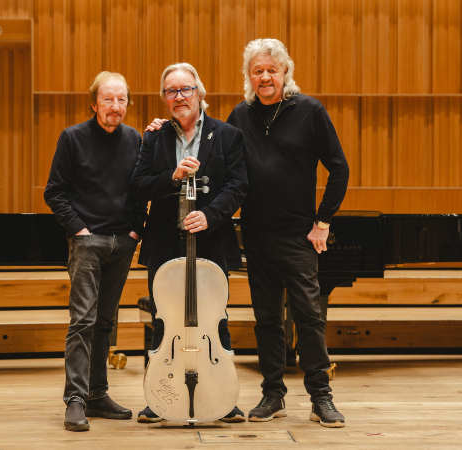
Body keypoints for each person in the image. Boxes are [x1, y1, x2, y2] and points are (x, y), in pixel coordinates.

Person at [226, 38, 350, 427]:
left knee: (308, 317)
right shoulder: (239, 116)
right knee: (265, 319)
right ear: (249, 76)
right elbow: (218, 158)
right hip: (256, 235)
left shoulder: (309, 111)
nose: (265, 77)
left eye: (271, 70)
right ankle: (272, 394)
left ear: (285, 73)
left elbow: (339, 168)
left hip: (298, 234)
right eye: (257, 70)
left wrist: (323, 222)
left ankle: (321, 397)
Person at [129, 63, 248, 423]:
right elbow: (138, 185)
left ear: (199, 92)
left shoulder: (227, 134)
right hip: (165, 239)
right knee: (163, 319)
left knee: (216, 318)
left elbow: (239, 185)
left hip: (211, 240)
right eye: (171, 91)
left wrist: (211, 215)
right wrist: (172, 176)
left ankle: (223, 397)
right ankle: (158, 398)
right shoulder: (154, 137)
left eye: (185, 89)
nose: (179, 97)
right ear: (164, 99)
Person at [44, 71, 146, 432]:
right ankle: (75, 398)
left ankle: (98, 394)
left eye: (121, 100)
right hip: (87, 243)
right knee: (83, 322)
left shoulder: (135, 139)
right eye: (108, 99)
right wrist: (80, 230)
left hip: (122, 243)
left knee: (106, 322)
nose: (115, 106)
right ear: (94, 103)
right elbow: (54, 192)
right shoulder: (72, 138)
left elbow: (140, 189)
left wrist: (136, 230)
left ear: (127, 104)